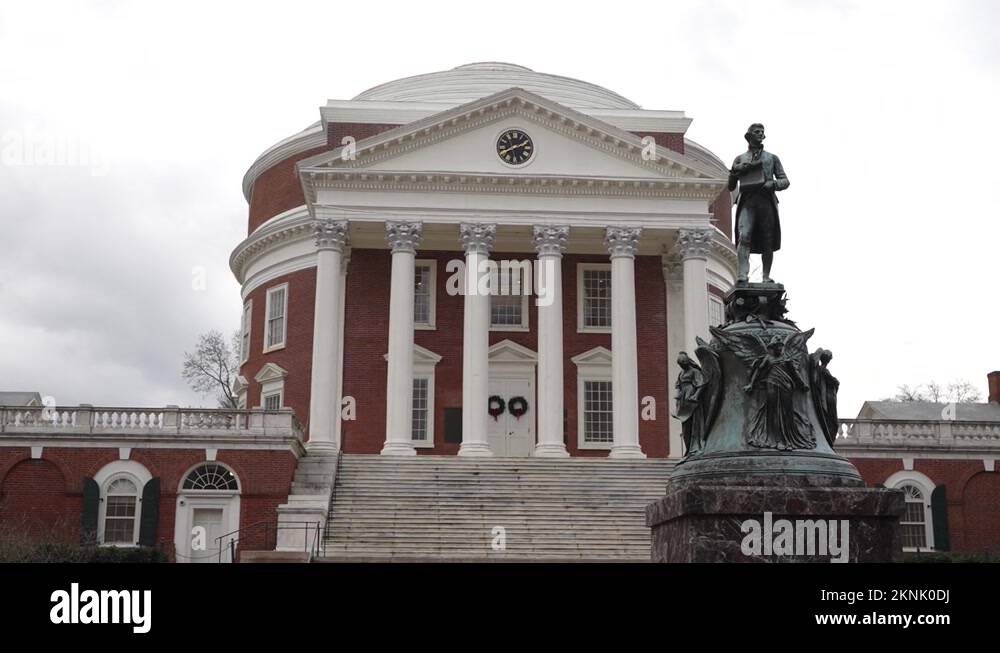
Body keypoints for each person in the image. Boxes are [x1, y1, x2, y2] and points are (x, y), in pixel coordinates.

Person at [729, 123, 789, 284]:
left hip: (766, 201)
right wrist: (736, 170)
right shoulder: (740, 158)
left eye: (762, 132)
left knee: (767, 239)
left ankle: (766, 276)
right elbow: (731, 186)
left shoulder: (772, 158)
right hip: (747, 202)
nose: (760, 134)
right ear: (748, 136)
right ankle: (742, 274)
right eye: (757, 132)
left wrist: (773, 184)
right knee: (744, 235)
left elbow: (785, 181)